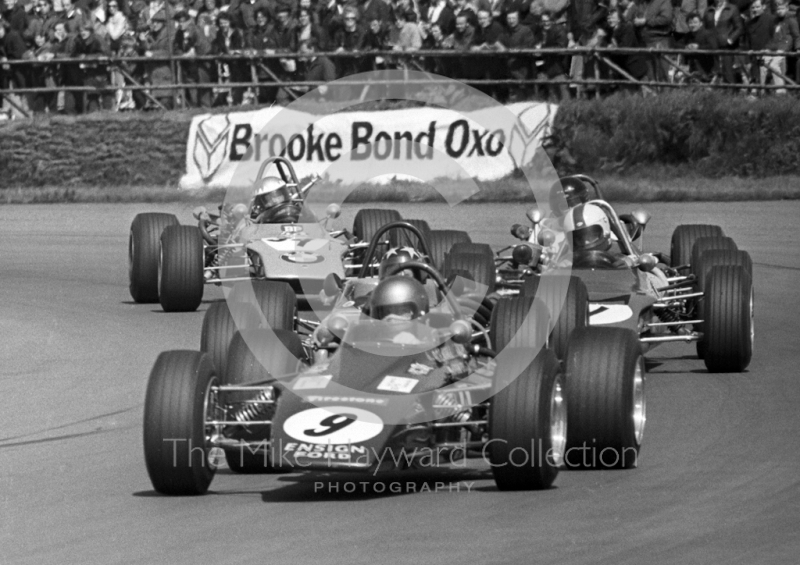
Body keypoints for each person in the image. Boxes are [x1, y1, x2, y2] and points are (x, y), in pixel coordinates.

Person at [703, 0, 743, 84]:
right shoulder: (708, 10)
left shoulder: (732, 9)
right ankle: (716, 93)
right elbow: (705, 28)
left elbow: (739, 28)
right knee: (714, 71)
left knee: (728, 70)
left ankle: (731, 92)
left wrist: (730, 40)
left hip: (726, 46)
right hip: (711, 46)